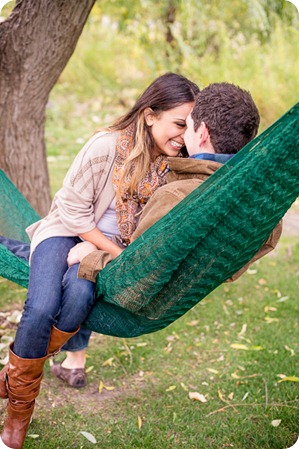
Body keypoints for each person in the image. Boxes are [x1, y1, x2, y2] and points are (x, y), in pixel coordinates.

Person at [0, 72, 199, 449]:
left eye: (190, 127)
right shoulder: (105, 146)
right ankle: (17, 416)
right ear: (149, 115)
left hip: (99, 252)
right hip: (65, 231)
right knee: (41, 307)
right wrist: (110, 250)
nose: (183, 134)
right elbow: (73, 212)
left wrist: (101, 252)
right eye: (178, 123)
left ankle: (13, 377)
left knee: (75, 302)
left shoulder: (177, 167)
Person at [70, 82, 282, 286]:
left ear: (203, 134)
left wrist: (91, 258)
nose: (183, 135)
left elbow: (135, 274)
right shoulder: (263, 209)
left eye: (187, 125)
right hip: (182, 294)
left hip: (139, 297)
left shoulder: (175, 196)